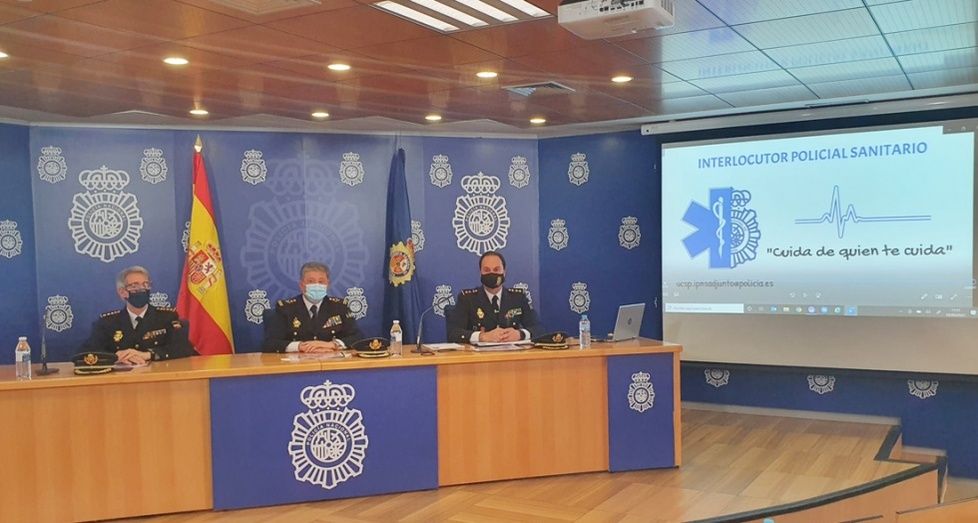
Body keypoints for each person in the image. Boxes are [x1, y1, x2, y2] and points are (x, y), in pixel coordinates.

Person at [79, 266, 196, 364]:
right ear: (122, 292)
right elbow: (85, 353)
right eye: (135, 286)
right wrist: (114, 357)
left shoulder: (167, 317)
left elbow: (183, 349)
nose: (142, 289)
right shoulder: (108, 322)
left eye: (145, 284)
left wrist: (149, 354)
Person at [263, 261, 363, 353]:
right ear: (301, 285)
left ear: (327, 285)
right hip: (297, 363)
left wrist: (332, 345)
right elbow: (270, 343)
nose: (316, 285)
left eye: (321, 282)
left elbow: (357, 337)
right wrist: (300, 346)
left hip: (331, 362)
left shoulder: (340, 307)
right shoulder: (285, 308)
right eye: (311, 281)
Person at [446, 251, 543, 344]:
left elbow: (538, 329)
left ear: (504, 272)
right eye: (486, 270)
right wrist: (481, 337)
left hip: (511, 353)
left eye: (496, 269)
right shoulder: (467, 299)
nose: (491, 273)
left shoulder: (518, 298)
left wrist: (520, 334)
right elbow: (453, 333)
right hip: (478, 354)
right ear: (480, 272)